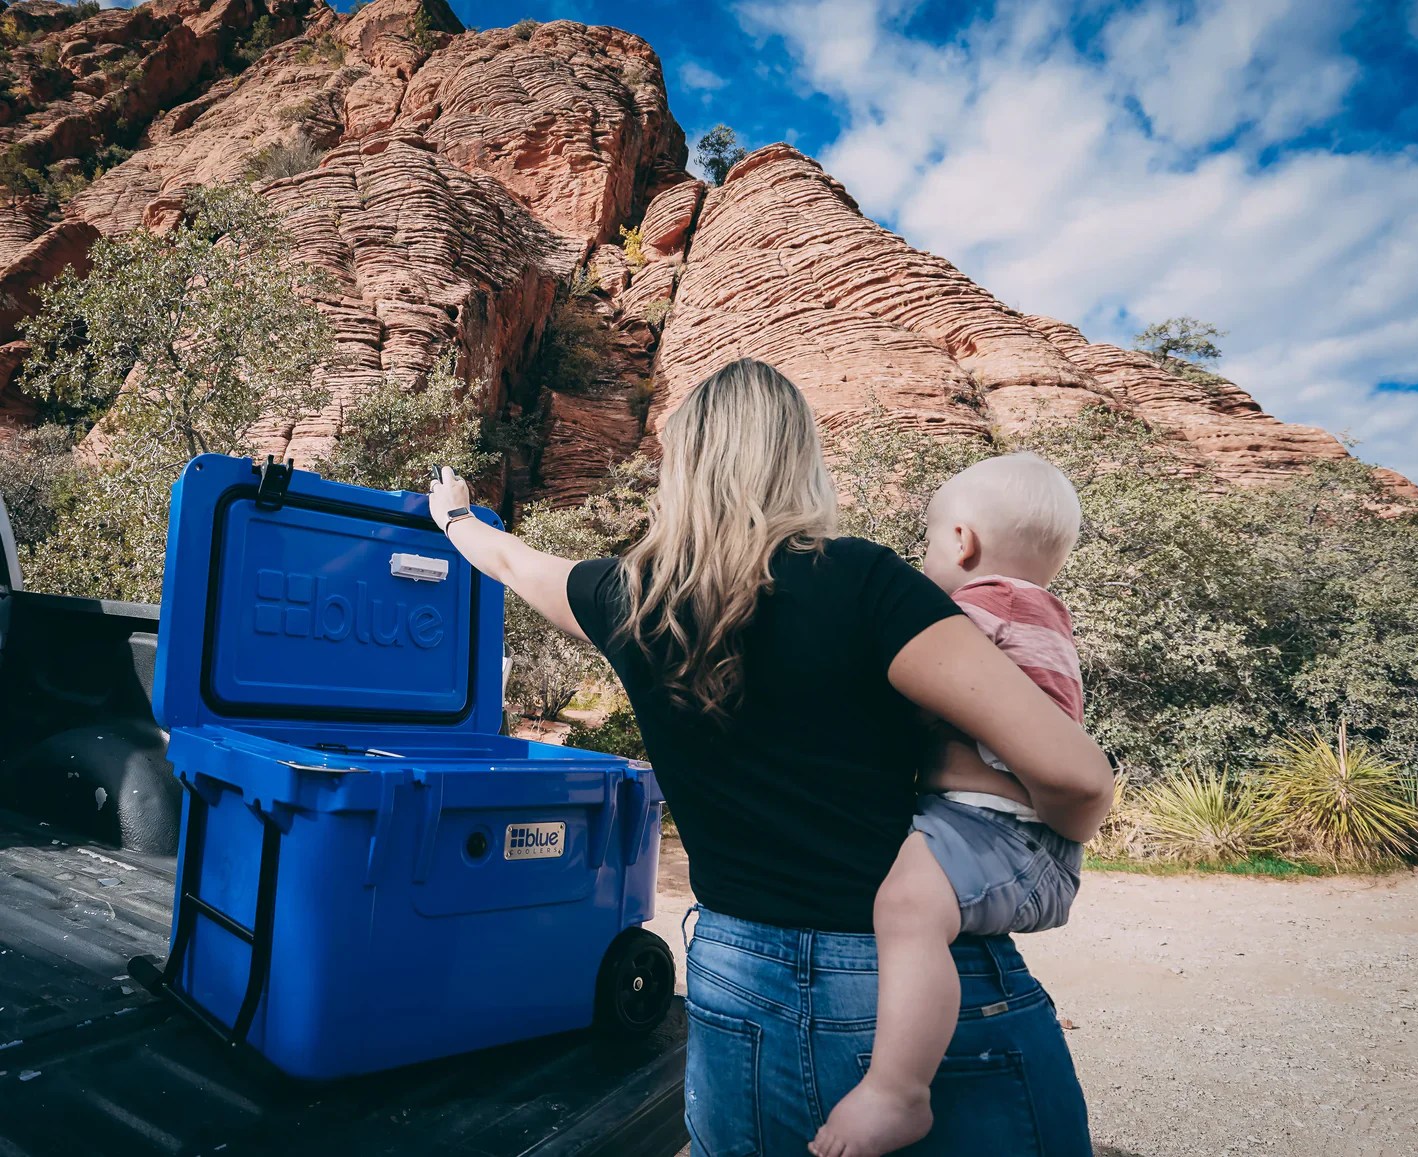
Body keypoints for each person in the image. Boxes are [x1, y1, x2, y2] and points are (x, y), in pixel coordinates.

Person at [428, 358, 1113, 1156]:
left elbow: (512, 562)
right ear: (798, 458)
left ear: (684, 465)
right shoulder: (867, 585)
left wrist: (455, 519)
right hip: (900, 993)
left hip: (736, 979)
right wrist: (1049, 845)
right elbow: (1075, 774)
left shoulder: (630, 598)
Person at [814, 453, 1089, 1157]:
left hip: (996, 828)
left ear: (961, 541)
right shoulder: (1036, 608)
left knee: (907, 910)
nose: (924, 561)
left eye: (929, 544)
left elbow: (897, 675)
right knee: (909, 906)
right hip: (998, 827)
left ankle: (898, 1090)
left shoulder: (981, 607)